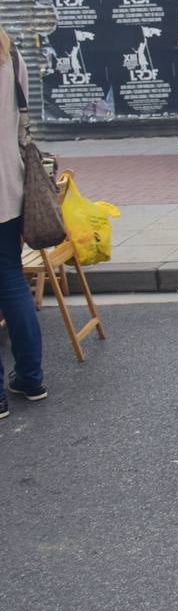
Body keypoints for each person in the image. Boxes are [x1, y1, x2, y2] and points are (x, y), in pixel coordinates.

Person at [1, 27, 47, 419]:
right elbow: (22, 125)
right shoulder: (11, 55)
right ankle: (31, 378)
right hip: (10, 185)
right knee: (12, 278)